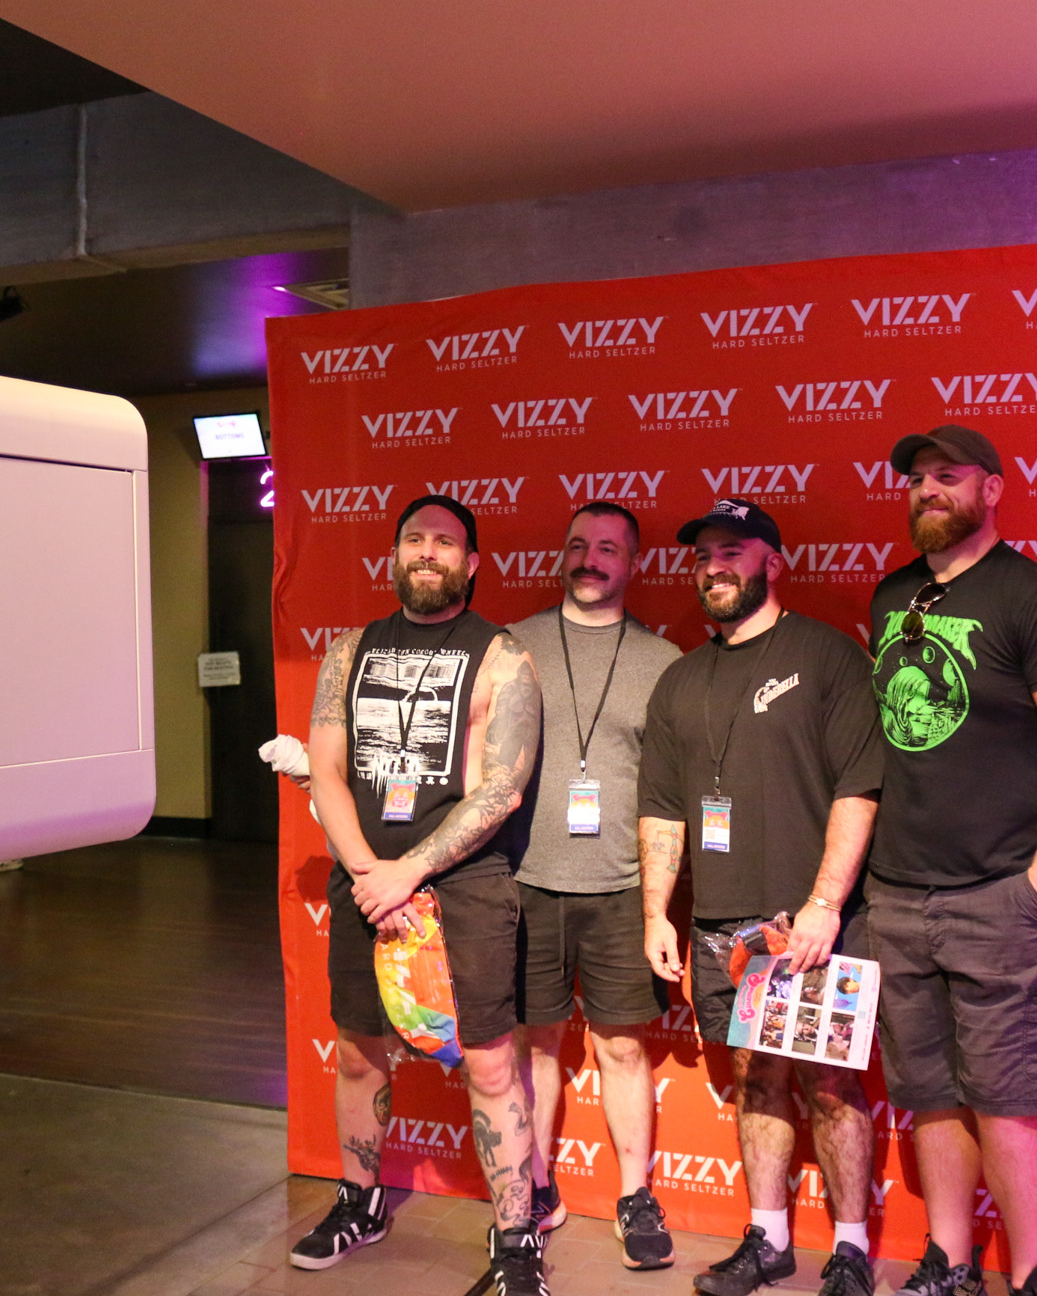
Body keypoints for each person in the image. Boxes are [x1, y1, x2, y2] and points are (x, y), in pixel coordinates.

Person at [863, 426, 1037, 1296]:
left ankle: (1033, 1273)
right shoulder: (892, 595)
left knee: (1009, 1098)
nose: (927, 489)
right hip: (898, 892)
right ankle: (949, 1259)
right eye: (916, 478)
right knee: (929, 1091)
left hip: (1000, 895)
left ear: (993, 488)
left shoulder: (1035, 598)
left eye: (948, 475)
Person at [293, 495, 552, 1296]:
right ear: (395, 554)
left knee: (491, 1064)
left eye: (445, 541)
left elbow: (503, 787)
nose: (427, 551)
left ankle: (516, 1238)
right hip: (366, 882)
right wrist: (370, 871)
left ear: (471, 562)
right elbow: (325, 770)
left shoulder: (503, 656)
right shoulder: (349, 652)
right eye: (414, 539)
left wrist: (408, 872)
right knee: (358, 1051)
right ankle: (361, 1201)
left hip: (466, 886)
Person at [637, 499, 884, 1296]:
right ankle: (768, 1238)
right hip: (722, 925)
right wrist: (656, 912)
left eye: (732, 551)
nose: (713, 566)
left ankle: (851, 1249)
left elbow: (859, 787)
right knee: (755, 1076)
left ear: (773, 563)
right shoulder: (681, 679)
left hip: (811, 920)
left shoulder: (827, 655)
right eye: (702, 554)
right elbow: (662, 808)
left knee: (829, 1083)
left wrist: (825, 903)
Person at [507, 502, 684, 1270]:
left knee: (620, 1046)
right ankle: (535, 1184)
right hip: (525, 883)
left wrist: (657, 901)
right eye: (577, 543)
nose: (589, 558)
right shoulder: (512, 645)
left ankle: (635, 1194)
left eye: (608, 547)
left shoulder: (663, 660)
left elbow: (672, 793)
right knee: (534, 1043)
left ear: (632, 563)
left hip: (620, 889)